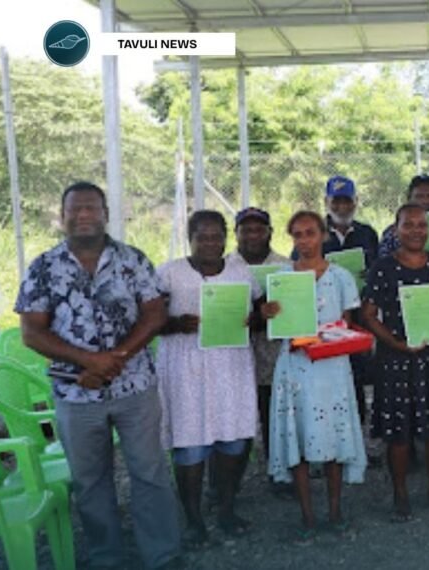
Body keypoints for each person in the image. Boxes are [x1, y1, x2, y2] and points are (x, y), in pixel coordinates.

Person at [15, 181, 182, 569]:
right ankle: (107, 558)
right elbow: (31, 331)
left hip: (134, 387)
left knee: (150, 472)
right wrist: (87, 362)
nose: (84, 215)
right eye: (76, 209)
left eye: (92, 208)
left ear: (106, 214)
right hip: (76, 394)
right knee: (90, 482)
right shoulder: (43, 267)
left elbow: (155, 314)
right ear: (63, 216)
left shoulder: (133, 260)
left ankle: (162, 554)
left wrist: (115, 357)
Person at [263, 210, 367, 544]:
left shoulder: (340, 277)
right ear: (291, 238)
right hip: (294, 367)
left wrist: (325, 337)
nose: (304, 240)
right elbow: (274, 324)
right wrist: (268, 313)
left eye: (310, 233)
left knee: (334, 436)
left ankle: (335, 511)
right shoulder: (281, 277)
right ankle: (307, 515)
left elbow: (345, 324)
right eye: (297, 234)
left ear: (323, 235)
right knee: (299, 436)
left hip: (331, 367)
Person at [156, 210, 259, 548]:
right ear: (191, 238)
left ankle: (226, 509)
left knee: (232, 441)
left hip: (230, 364)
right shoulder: (170, 273)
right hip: (186, 368)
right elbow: (149, 320)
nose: (211, 243)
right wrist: (176, 324)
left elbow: (259, 310)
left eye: (217, 236)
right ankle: (193, 520)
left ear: (226, 238)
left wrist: (256, 317)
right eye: (203, 236)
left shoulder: (240, 272)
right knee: (190, 446)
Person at [362, 204, 429, 522]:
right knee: (399, 432)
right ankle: (400, 494)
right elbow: (368, 315)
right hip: (397, 359)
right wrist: (394, 343)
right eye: (408, 225)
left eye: (422, 225)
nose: (416, 231)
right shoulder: (382, 267)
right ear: (395, 230)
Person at [297, 175, 379, 427]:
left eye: (347, 201)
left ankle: (354, 438)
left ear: (356, 201)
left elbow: (379, 269)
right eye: (336, 201)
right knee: (325, 376)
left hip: (358, 316)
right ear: (326, 201)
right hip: (325, 317)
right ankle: (325, 434)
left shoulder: (367, 233)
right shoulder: (313, 233)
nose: (342, 207)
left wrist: (370, 273)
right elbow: (297, 268)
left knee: (356, 377)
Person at [226, 206, 290, 494]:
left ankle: (280, 474)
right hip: (233, 359)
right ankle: (228, 485)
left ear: (270, 232)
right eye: (246, 229)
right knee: (235, 423)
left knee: (273, 417)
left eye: (259, 229)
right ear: (236, 233)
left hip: (272, 358)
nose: (252, 235)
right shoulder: (223, 267)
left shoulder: (286, 267)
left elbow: (294, 312)